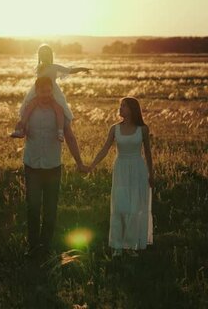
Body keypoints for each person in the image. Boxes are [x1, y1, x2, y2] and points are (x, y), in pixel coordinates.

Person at [22, 76, 88, 258]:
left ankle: (46, 247)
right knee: (33, 207)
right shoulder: (29, 110)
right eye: (43, 91)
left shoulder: (59, 112)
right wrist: (22, 128)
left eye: (49, 90)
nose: (46, 94)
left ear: (53, 90)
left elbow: (70, 137)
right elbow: (21, 128)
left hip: (52, 166)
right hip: (32, 165)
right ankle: (33, 247)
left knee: (50, 210)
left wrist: (79, 162)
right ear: (37, 91)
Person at [87, 97, 153, 257]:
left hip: (138, 169)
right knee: (120, 206)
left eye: (123, 106)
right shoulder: (114, 128)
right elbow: (104, 150)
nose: (120, 108)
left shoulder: (143, 129)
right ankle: (117, 245)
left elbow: (148, 154)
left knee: (134, 207)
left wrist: (152, 174)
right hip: (121, 168)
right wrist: (91, 166)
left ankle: (131, 245)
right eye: (120, 106)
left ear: (132, 109)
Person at [11, 44, 90, 142]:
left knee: (59, 109)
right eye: (42, 54)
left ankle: (60, 131)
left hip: (51, 91)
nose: (45, 56)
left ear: (51, 55)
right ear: (39, 56)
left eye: (47, 54)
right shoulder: (38, 67)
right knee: (28, 107)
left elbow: (68, 70)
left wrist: (82, 69)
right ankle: (21, 129)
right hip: (38, 91)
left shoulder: (54, 67)